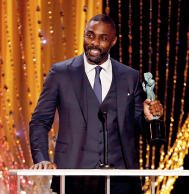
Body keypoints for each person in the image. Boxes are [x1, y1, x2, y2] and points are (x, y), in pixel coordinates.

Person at [29, 14, 163, 194]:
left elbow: (138, 126)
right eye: (90, 35)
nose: (94, 43)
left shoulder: (129, 76)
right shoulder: (61, 73)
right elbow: (40, 120)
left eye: (103, 38)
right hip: (74, 175)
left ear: (113, 41)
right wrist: (41, 159)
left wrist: (149, 119)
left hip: (121, 180)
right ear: (84, 34)